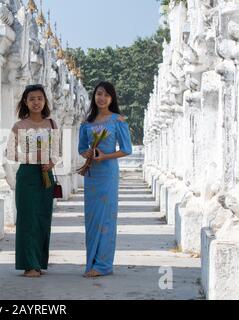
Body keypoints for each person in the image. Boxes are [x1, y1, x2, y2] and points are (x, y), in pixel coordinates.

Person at [5, 84, 61, 278]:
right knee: (27, 220)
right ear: (25, 102)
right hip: (27, 176)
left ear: (45, 101)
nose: (36, 102)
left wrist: (51, 163)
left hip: (46, 177)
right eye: (31, 99)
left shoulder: (52, 124)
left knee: (43, 219)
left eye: (39, 98)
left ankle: (39, 262)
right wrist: (33, 158)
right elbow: (10, 153)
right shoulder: (19, 126)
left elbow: (57, 152)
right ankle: (29, 265)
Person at [78, 81, 132, 278]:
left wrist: (104, 156)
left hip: (108, 173)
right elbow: (81, 148)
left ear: (112, 99)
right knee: (92, 219)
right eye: (99, 94)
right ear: (94, 96)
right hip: (92, 174)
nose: (102, 98)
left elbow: (127, 149)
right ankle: (91, 262)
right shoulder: (86, 123)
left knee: (106, 217)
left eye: (106, 95)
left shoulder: (118, 120)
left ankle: (103, 265)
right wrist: (89, 154)